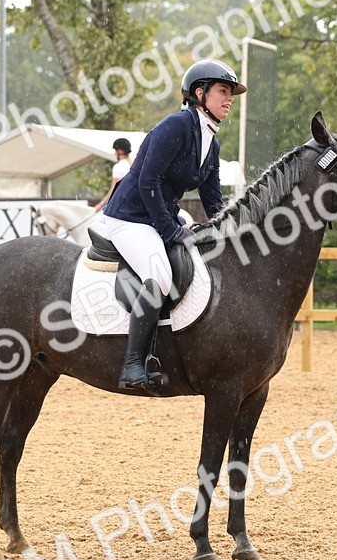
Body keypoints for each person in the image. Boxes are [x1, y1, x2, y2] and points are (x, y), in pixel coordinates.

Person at [101, 58, 245, 391]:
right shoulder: (176, 126)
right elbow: (148, 181)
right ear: (200, 93)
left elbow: (212, 200)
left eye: (231, 94)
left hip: (160, 215)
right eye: (223, 91)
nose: (229, 99)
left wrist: (233, 232)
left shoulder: (211, 143)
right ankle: (132, 364)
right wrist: (170, 231)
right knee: (160, 275)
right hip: (130, 216)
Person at [95, 137, 133, 212]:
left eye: (115, 151)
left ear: (119, 151)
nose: (114, 154)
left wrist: (100, 204)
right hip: (132, 203)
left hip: (121, 204)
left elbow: (114, 190)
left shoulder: (118, 167)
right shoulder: (134, 165)